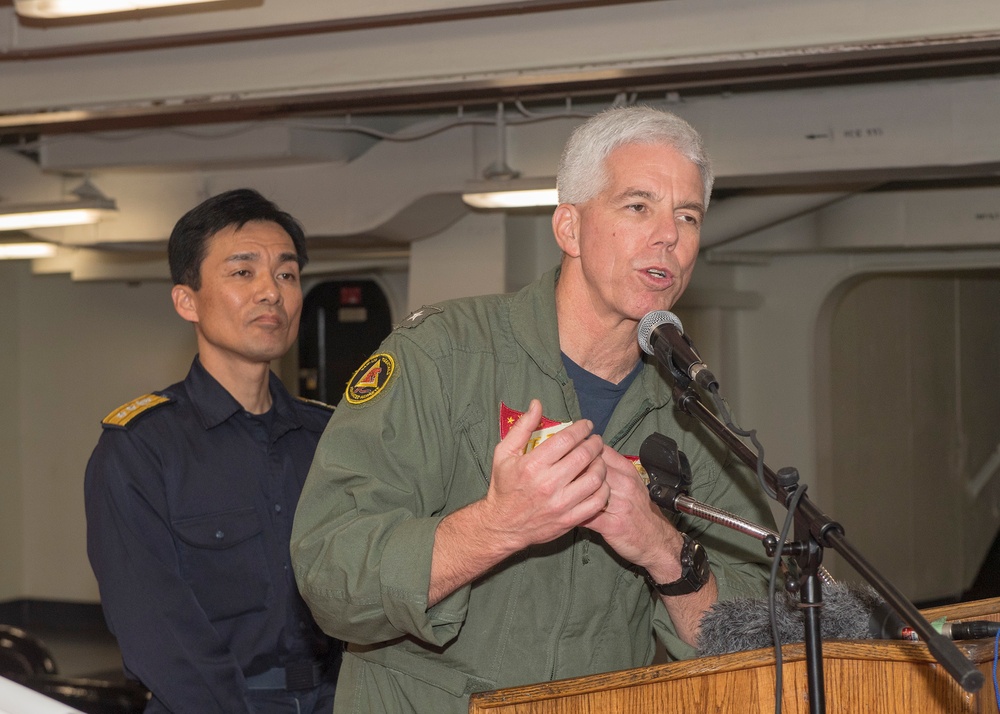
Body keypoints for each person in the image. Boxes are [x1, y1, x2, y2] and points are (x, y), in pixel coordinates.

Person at [290, 106, 775, 713]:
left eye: (688, 216)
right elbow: (331, 579)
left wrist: (662, 548)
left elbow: (757, 638)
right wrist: (497, 526)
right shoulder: (441, 357)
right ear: (569, 228)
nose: (669, 236)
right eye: (637, 206)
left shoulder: (688, 411)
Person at [85, 188, 341, 713]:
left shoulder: (329, 437)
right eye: (243, 272)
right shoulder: (141, 450)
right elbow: (157, 630)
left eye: (287, 274)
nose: (271, 292)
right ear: (187, 301)